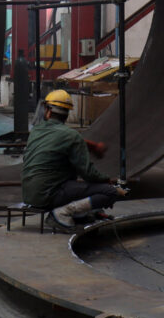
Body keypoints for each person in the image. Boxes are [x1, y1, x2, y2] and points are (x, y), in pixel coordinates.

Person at [20, 90, 126, 233]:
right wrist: (106, 181)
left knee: (75, 184)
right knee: (109, 192)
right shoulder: (71, 136)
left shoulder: (36, 131)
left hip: (29, 193)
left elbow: (62, 139)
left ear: (48, 110)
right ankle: (62, 213)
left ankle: (76, 212)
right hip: (49, 194)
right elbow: (88, 173)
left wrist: (92, 146)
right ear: (67, 113)